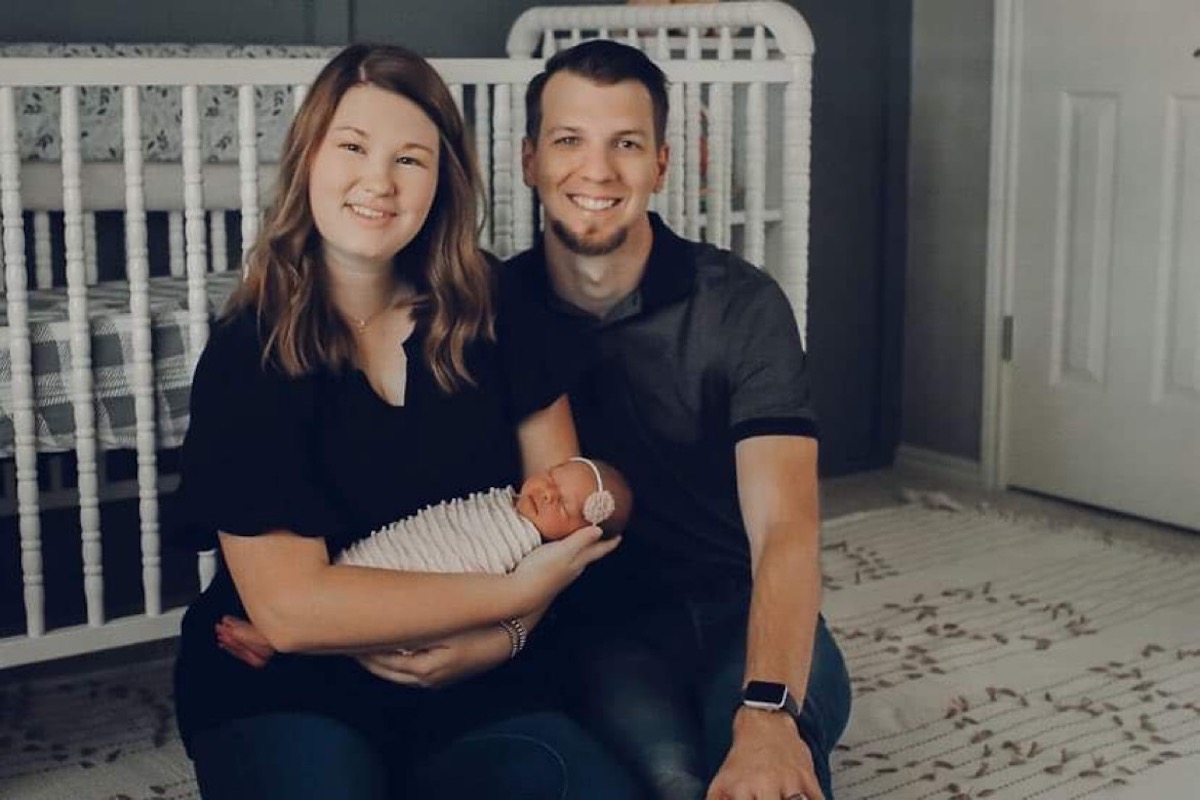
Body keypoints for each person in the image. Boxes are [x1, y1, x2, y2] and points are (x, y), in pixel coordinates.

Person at [172, 42, 641, 800]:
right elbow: (291, 613)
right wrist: (512, 603)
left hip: (478, 671)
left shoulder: (499, 305)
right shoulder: (249, 352)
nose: (379, 183)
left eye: (411, 160)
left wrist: (501, 642)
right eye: (353, 147)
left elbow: (564, 525)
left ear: (442, 182)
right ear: (309, 160)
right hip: (289, 681)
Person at [505, 40, 853, 800]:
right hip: (602, 630)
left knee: (772, 774)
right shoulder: (491, 311)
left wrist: (766, 712)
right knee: (676, 779)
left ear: (661, 163)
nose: (596, 171)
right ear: (529, 158)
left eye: (625, 144)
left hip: (742, 607)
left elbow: (786, 529)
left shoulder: (741, 303)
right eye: (569, 141)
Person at [213, 456, 631, 669]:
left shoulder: (529, 551)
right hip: (400, 550)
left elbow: (474, 574)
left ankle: (282, 645)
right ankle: (290, 631)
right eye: (552, 478)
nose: (547, 493)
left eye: (565, 504)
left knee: (378, 624)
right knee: (349, 583)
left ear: (581, 535)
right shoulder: (503, 501)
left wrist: (510, 628)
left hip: (434, 587)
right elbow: (442, 524)